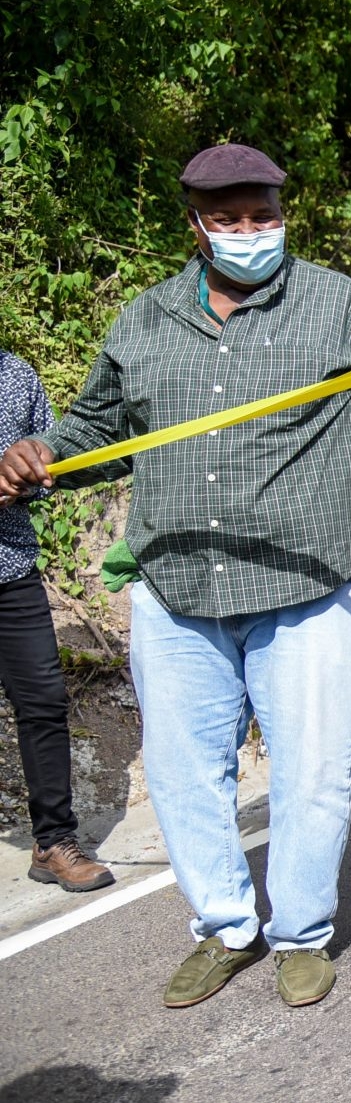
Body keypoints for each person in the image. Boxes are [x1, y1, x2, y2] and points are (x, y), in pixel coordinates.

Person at [0, 143, 351, 1009]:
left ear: (284, 212)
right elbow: (96, 428)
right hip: (177, 589)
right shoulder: (146, 319)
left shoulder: (336, 306)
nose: (248, 233)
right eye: (228, 220)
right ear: (196, 227)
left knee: (313, 767)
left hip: (308, 584)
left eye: (262, 216)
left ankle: (302, 932)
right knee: (183, 770)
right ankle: (225, 926)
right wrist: (45, 453)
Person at [0, 351, 113, 893]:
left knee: (43, 702)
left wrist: (24, 479)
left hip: (10, 568)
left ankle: (53, 844)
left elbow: (54, 461)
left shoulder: (17, 375)